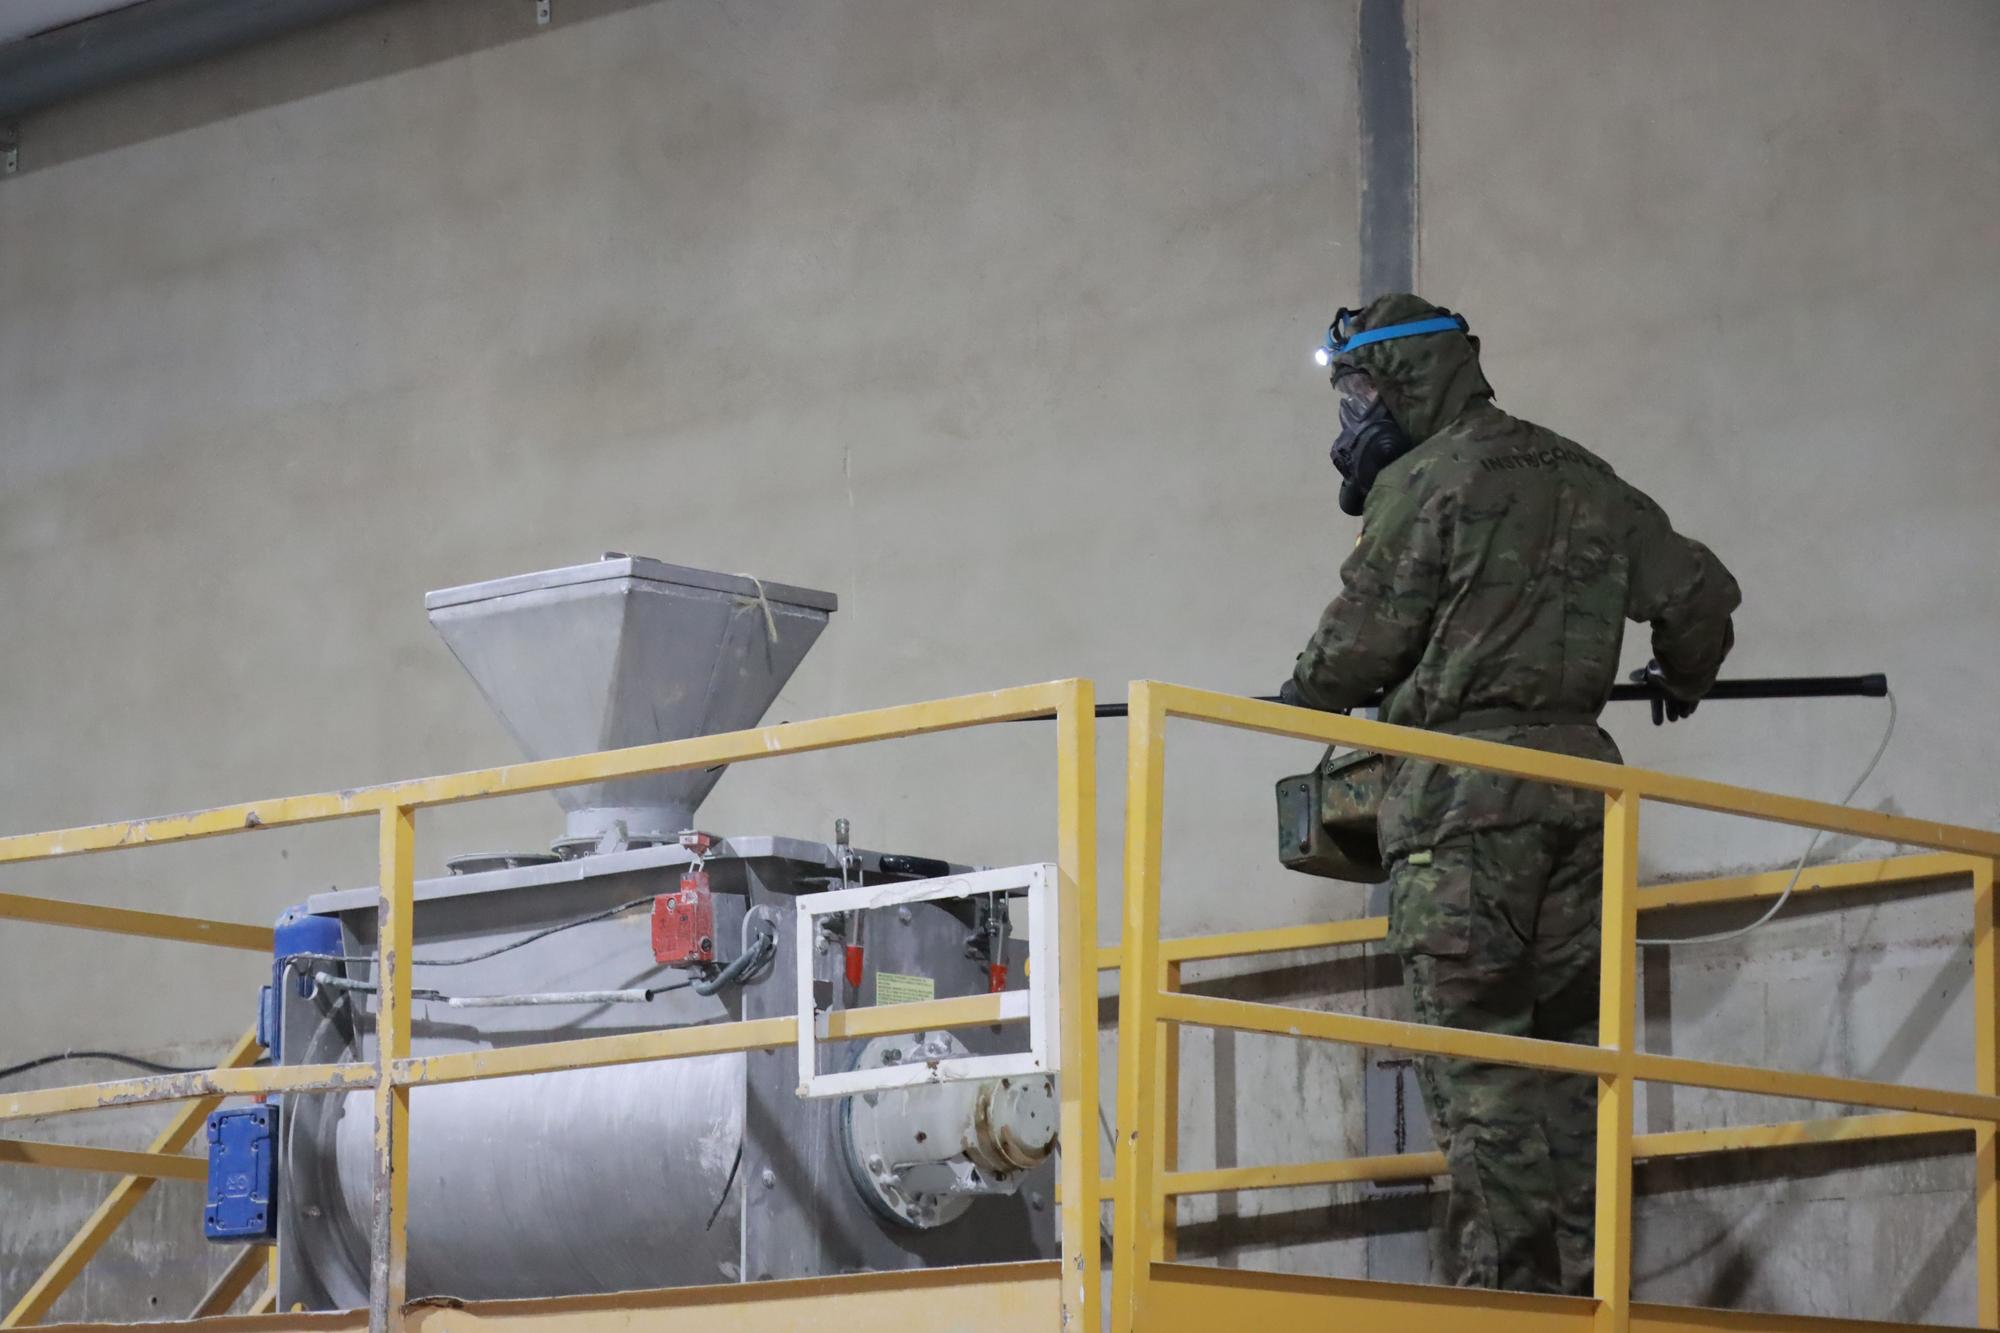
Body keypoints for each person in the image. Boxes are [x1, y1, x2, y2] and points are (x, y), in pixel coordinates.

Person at [1277, 292, 1740, 1294]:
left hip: (1459, 798)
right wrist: (1682, 677)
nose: (1354, 414)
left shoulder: (1426, 479)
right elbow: (1698, 593)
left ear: (1406, 377)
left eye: (1359, 386)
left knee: (1476, 1059)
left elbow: (1358, 642)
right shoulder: (1582, 473)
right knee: (1573, 1059)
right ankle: (1586, 1290)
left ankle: (1507, 1295)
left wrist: (1299, 697)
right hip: (1581, 790)